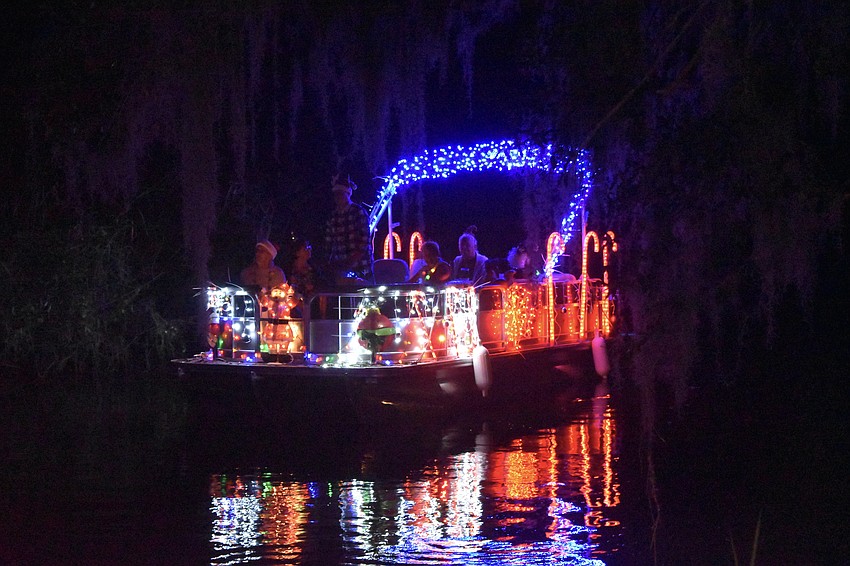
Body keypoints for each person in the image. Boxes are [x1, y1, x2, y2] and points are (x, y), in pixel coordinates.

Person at [324, 175, 373, 284]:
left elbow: (364, 240)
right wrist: (330, 263)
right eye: (336, 194)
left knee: (366, 292)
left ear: (348, 194)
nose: (338, 197)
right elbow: (329, 242)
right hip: (342, 267)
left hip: (362, 266)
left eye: (341, 194)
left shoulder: (358, 212)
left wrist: (353, 259)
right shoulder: (333, 216)